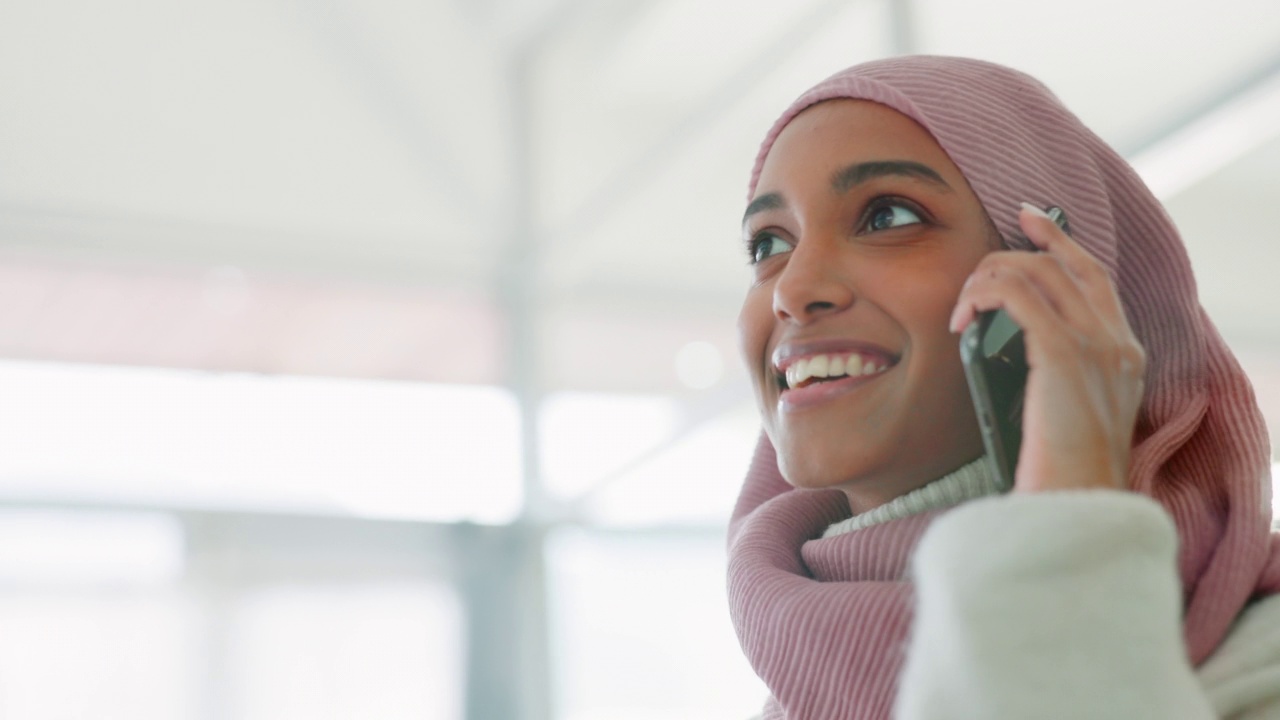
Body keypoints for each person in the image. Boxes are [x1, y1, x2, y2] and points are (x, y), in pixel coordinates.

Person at [725, 55, 1280, 719]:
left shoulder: (1256, 657)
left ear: (1059, 279)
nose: (792, 288)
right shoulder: (794, 698)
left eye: (888, 217)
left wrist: (1068, 500)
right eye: (766, 245)